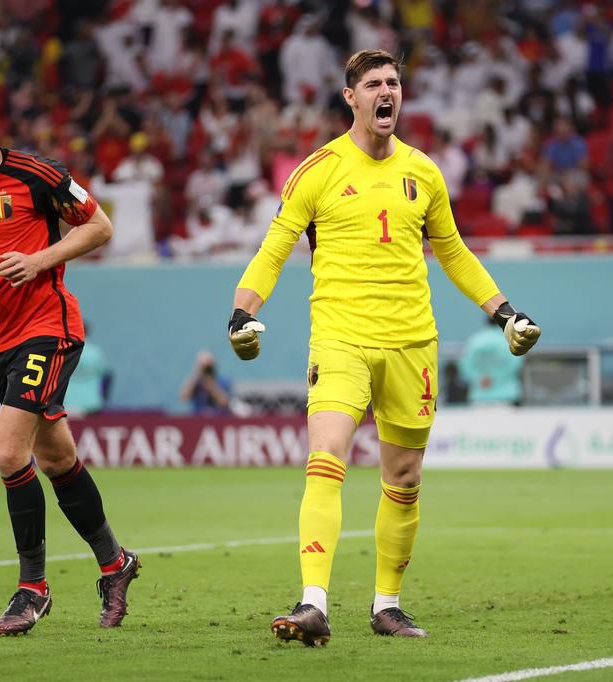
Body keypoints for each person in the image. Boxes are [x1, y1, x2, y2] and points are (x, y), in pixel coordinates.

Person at [227, 49, 541, 646]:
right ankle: (313, 602)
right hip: (340, 338)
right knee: (326, 457)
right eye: (373, 84)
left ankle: (387, 606)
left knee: (404, 477)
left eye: (393, 82)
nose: (385, 91)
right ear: (351, 97)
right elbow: (274, 248)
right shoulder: (317, 170)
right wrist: (243, 312)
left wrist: (504, 312)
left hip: (412, 344)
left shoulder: (424, 171)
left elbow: (453, 252)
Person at [0, 90, 139, 636]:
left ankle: (33, 588)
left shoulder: (36, 175)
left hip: (49, 327)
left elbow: (100, 226)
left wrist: (40, 259)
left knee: (6, 451)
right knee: (57, 457)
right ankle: (116, 564)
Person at [459, 315, 526, 405]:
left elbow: (465, 366)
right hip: (507, 395)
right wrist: (497, 377)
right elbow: (517, 365)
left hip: (480, 396)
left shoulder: (474, 341)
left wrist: (480, 378)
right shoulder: (509, 340)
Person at [65, 320, 111, 416]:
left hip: (66, 403)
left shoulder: (62, 352)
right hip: (91, 404)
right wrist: (104, 397)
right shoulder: (95, 353)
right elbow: (106, 376)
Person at [179, 351, 233, 415]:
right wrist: (196, 374)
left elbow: (225, 402)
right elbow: (184, 397)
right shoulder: (195, 381)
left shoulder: (222, 380)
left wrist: (211, 384)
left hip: (217, 417)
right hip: (198, 416)